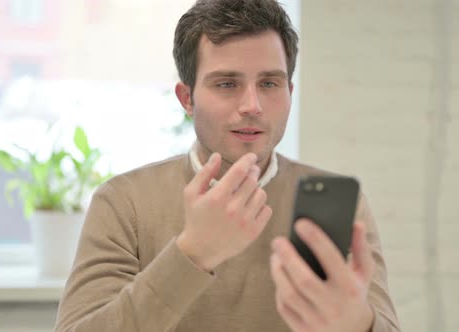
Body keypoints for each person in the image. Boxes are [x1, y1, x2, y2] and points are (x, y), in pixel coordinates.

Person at [54, 0, 401, 331]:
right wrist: (193, 253)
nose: (252, 105)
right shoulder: (124, 203)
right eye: (227, 84)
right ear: (187, 98)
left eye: (269, 83)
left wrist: (357, 324)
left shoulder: (341, 205)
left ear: (290, 92)